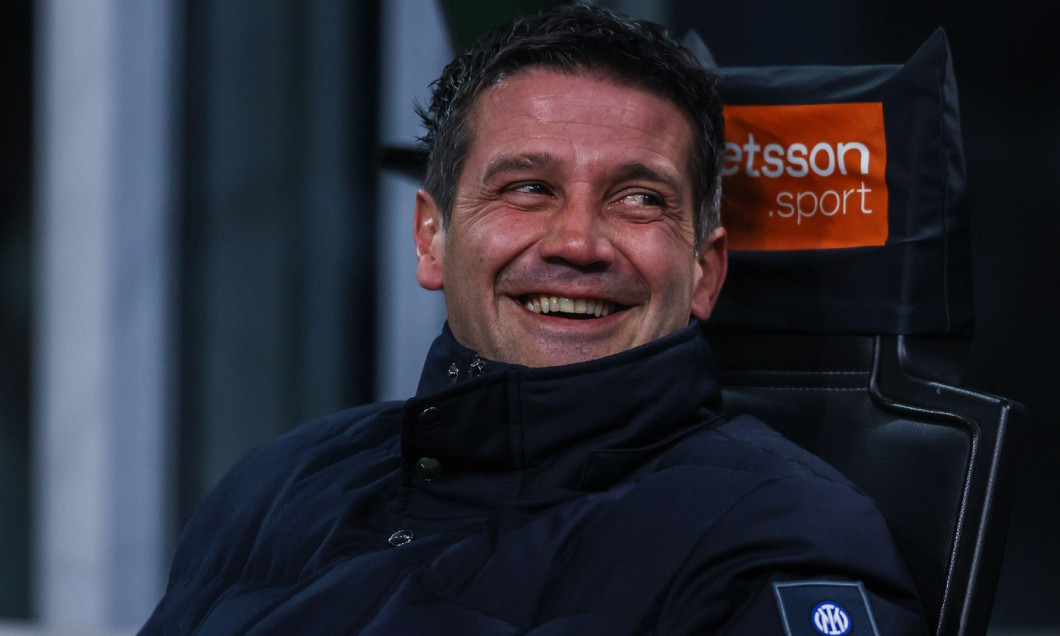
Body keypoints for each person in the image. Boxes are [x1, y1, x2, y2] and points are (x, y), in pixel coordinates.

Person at [142, 5, 927, 634]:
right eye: (527, 188)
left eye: (640, 198)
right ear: (432, 238)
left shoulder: (779, 539)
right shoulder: (279, 482)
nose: (578, 243)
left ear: (704, 272)